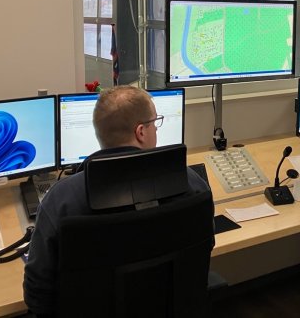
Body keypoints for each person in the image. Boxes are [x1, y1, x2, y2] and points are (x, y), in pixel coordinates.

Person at [23, 85, 212, 317]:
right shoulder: (190, 182)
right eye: (155, 122)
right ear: (141, 132)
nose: (156, 129)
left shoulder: (61, 200)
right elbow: (202, 251)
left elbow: (37, 294)